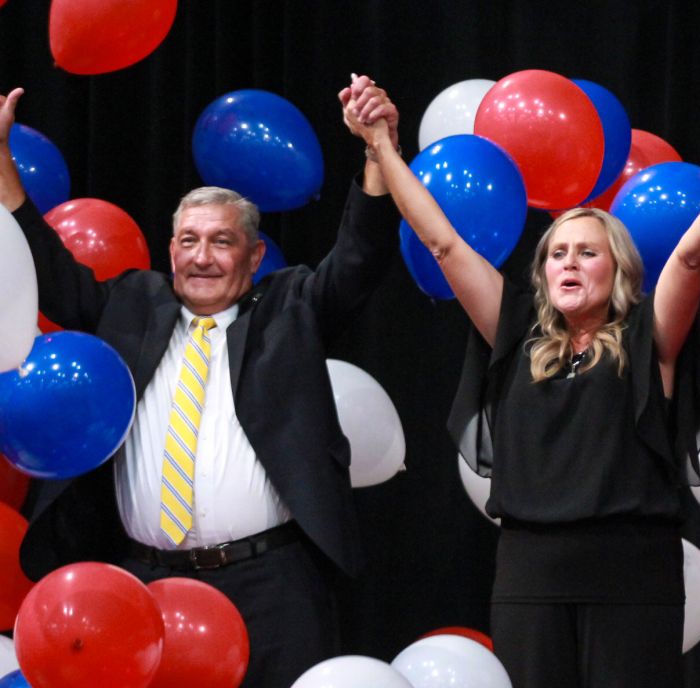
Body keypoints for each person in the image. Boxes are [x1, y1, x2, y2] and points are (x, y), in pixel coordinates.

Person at [340, 74, 700, 687]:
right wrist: (380, 145)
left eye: (587, 252)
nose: (568, 263)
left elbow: (692, 257)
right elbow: (443, 242)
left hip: (633, 575)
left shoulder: (649, 337)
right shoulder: (515, 332)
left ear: (618, 271)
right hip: (531, 574)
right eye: (557, 253)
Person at [0, 86, 401, 687]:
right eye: (189, 241)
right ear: (171, 250)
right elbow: (49, 272)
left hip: (272, 590)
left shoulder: (289, 308)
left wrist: (377, 153)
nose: (203, 258)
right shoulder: (132, 305)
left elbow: (358, 260)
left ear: (254, 253)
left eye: (222, 241)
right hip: (144, 588)